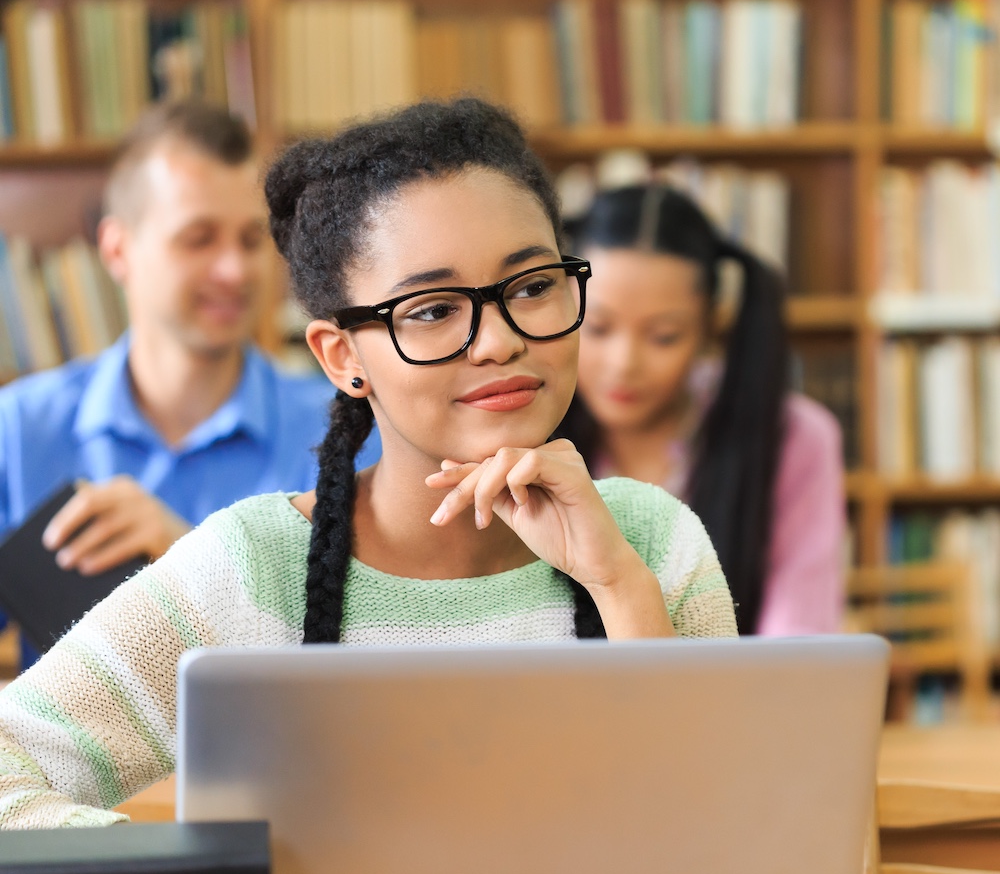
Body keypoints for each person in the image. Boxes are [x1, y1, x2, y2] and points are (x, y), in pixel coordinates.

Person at [0, 98, 737, 828]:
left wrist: (617, 585)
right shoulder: (250, 569)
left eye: (533, 286)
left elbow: (727, 848)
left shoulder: (655, 544)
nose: (499, 341)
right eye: (432, 310)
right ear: (342, 355)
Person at [0, 100, 381, 668]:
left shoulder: (355, 427)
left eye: (252, 240)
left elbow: (376, 653)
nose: (233, 269)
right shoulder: (17, 430)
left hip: (279, 754)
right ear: (117, 250)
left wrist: (193, 563)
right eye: (199, 239)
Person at [558, 184, 845, 637]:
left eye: (664, 336)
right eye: (598, 327)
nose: (623, 364)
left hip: (739, 703)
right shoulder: (526, 421)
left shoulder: (792, 436)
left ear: (710, 328)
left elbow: (797, 637)